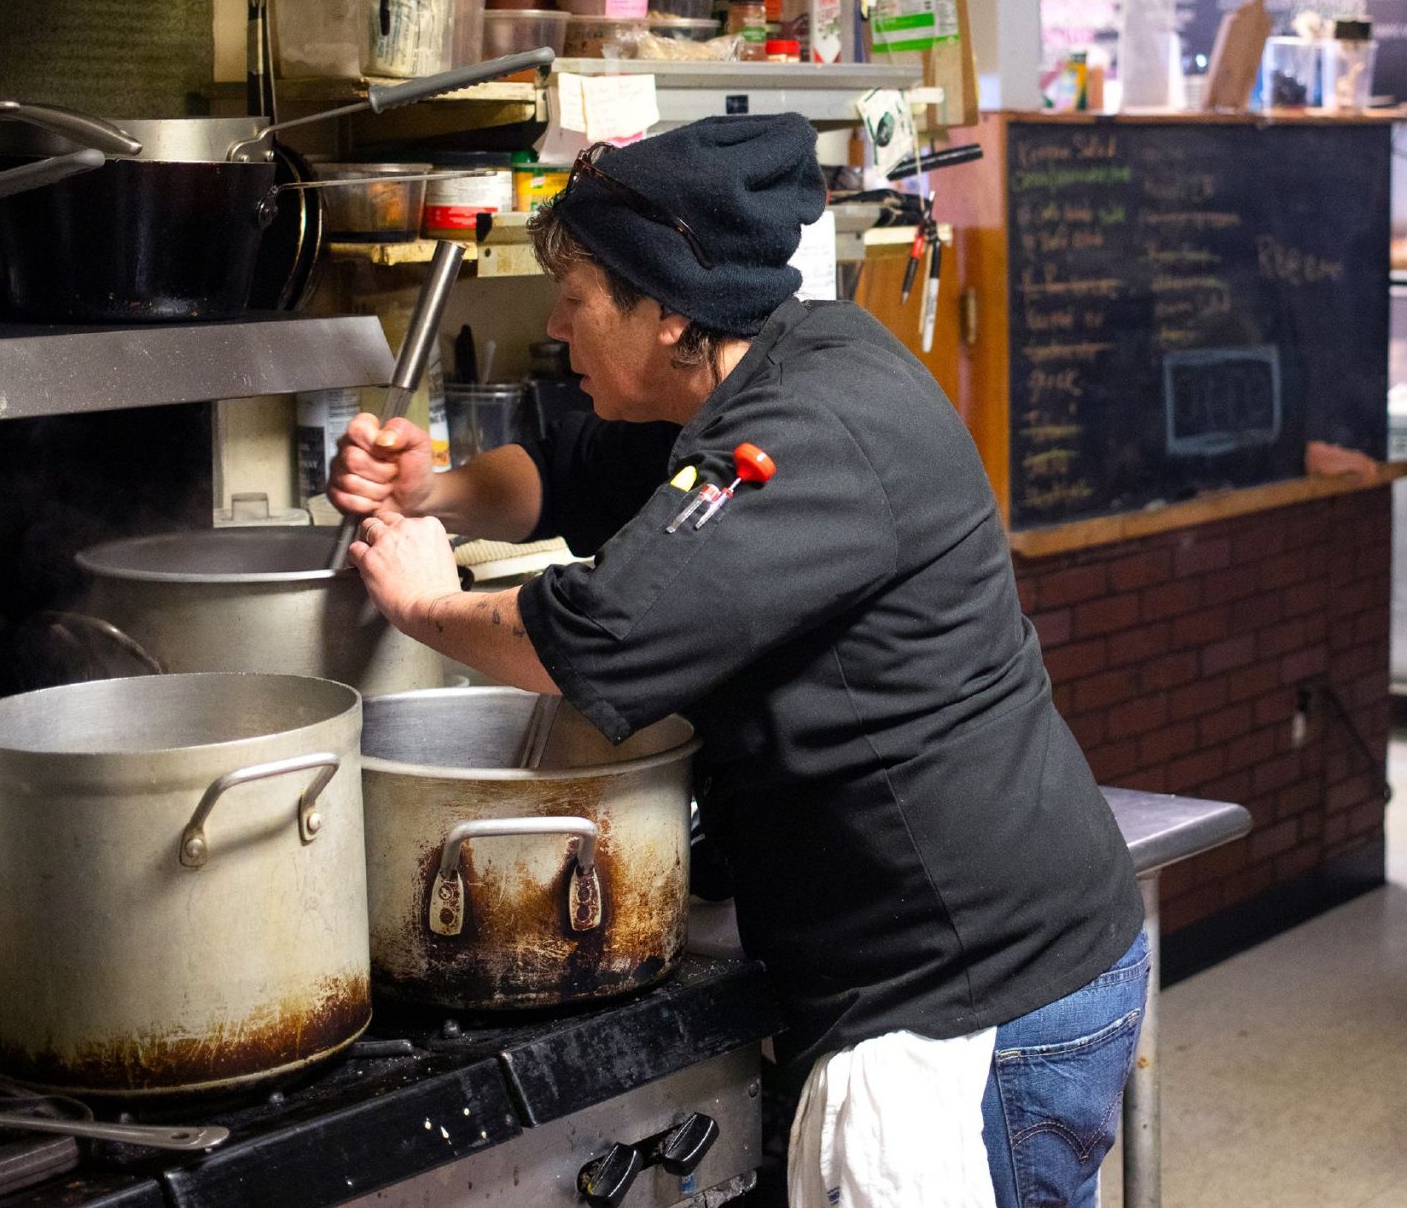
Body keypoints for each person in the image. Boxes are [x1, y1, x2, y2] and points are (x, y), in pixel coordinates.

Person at [333, 113, 1147, 1207]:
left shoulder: (807, 430)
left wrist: (428, 602)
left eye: (575, 298)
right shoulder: (758, 364)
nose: (557, 325)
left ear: (667, 312)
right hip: (951, 957)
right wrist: (431, 489)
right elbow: (572, 469)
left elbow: (597, 636)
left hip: (972, 990)